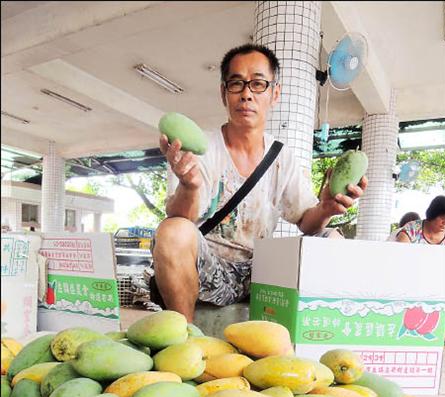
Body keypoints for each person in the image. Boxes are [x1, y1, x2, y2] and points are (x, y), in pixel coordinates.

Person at [153, 43, 367, 322]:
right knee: (172, 230)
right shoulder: (201, 150)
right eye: (236, 84)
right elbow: (183, 218)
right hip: (209, 269)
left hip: (261, 272)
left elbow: (307, 224)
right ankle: (184, 339)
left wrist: (326, 208)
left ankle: (315, 336)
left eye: (257, 84)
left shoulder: (283, 158)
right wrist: (190, 185)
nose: (246, 95)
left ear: (274, 93)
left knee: (331, 240)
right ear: (223, 93)